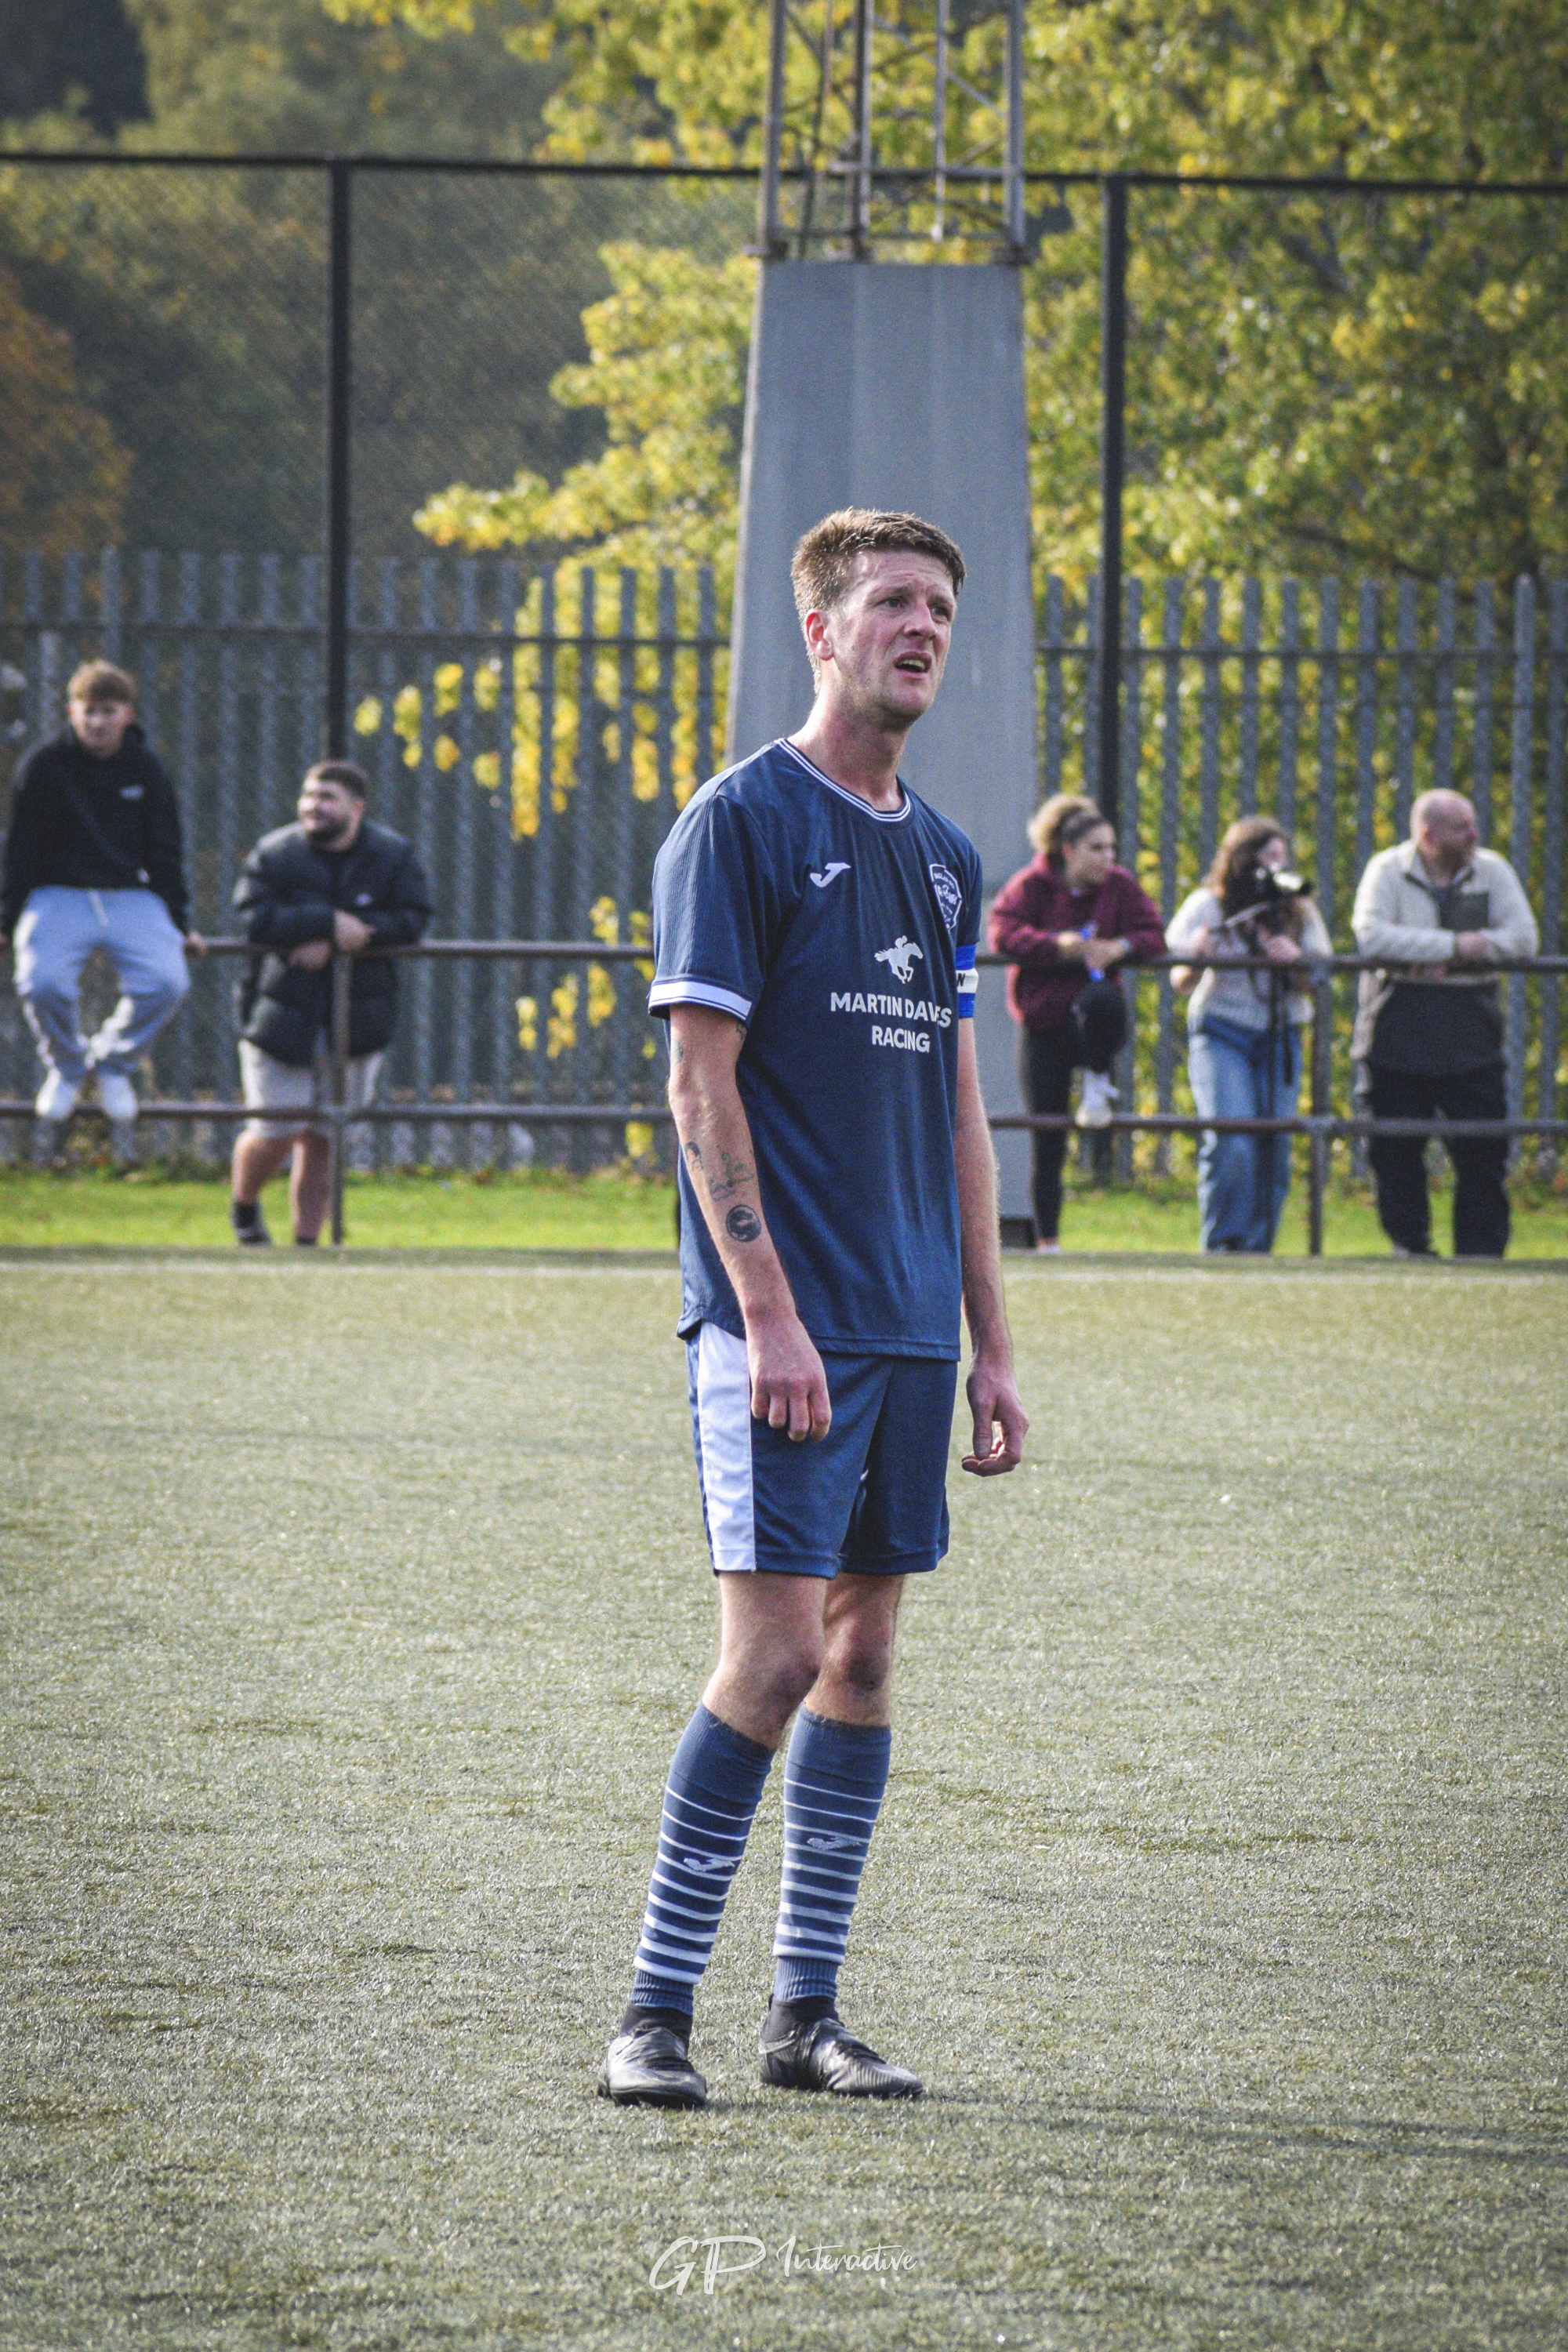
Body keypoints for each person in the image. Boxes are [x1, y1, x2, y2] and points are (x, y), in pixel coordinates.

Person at [597, 508, 1028, 2113]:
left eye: (938, 604)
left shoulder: (944, 854)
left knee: (861, 1662)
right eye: (892, 603)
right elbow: (697, 1083)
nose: (922, 625)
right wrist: (765, 1312)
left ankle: (805, 2017)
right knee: (771, 1657)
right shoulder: (740, 823)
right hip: (783, 1328)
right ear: (823, 633)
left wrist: (992, 1341)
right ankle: (651, 2012)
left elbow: (961, 1116)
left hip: (917, 1331)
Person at [229, 760, 432, 1246]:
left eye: (326, 798)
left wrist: (358, 936)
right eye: (308, 796)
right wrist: (321, 923)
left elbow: (414, 917)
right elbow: (252, 916)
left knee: (323, 1137)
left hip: (357, 1018)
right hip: (279, 1016)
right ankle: (245, 1209)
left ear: (356, 808)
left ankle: (306, 1243)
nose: (312, 807)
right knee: (276, 1127)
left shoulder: (392, 855)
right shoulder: (275, 854)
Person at [1, 659, 202, 1139]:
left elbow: (166, 850)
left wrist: (179, 921)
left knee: (168, 981)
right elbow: (21, 848)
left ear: (126, 715)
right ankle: (69, 1068)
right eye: (88, 712)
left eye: (107, 712)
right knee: (42, 983)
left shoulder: (147, 769)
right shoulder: (44, 765)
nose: (97, 722)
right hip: (57, 896)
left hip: (130, 895)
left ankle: (113, 1065)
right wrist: (7, 919)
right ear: (72, 712)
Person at [1352, 789, 1537, 1258]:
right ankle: (1411, 1248)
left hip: (1471, 1025)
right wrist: (1455, 948)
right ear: (1429, 835)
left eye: (1473, 825)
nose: (1474, 835)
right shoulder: (1387, 871)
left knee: (1482, 1149)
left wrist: (1424, 952)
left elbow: (1523, 939)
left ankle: (1480, 1253)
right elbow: (1371, 935)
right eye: (1462, 828)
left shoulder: (1492, 871)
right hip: (1398, 1023)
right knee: (1395, 1148)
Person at [987, 794, 1164, 1252]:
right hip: (1043, 1025)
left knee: (1105, 998)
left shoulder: (1120, 887)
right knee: (1048, 1137)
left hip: (1094, 1024)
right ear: (1068, 850)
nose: (1109, 858)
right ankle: (1048, 1242)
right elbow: (1002, 930)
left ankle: (1098, 1079)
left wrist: (1119, 947)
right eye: (1097, 849)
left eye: (1112, 848)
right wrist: (1056, 945)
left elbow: (1155, 933)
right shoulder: (1031, 885)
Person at [1167, 817, 1331, 1254]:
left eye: (1282, 856)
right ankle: (1223, 1244)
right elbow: (1180, 978)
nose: (1277, 866)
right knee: (1233, 1140)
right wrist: (1201, 955)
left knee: (1275, 1145)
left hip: (1281, 1034)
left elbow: (1321, 977)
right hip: (1223, 1030)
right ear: (1241, 860)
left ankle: (1259, 1248)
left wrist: (1295, 962)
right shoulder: (1209, 905)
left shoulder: (1299, 912)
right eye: (1267, 856)